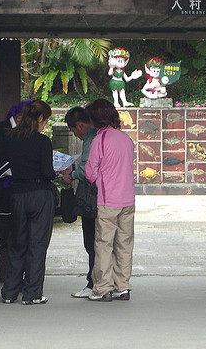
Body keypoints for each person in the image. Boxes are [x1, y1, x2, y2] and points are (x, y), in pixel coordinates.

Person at [0, 100, 56, 305]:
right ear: (40, 118)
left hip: (17, 194)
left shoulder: (11, 139)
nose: (45, 124)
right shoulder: (42, 142)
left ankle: (9, 292)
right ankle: (32, 294)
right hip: (39, 194)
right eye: (46, 120)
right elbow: (47, 172)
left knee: (18, 243)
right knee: (37, 245)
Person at [84, 99, 135, 302]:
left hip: (108, 200)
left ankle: (103, 287)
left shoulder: (100, 140)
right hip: (127, 199)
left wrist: (98, 180)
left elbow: (90, 171)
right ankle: (123, 286)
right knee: (124, 244)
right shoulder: (126, 139)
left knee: (104, 244)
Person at [0, 100, 32, 295]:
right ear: (18, 116)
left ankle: (20, 278)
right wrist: (26, 172)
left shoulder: (28, 134)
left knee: (22, 235)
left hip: (22, 191)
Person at [61, 106, 98, 298]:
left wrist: (71, 175)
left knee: (91, 242)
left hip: (92, 197)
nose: (75, 135)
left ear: (80, 125)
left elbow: (88, 171)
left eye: (73, 130)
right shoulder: (103, 136)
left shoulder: (91, 139)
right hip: (108, 197)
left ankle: (93, 283)